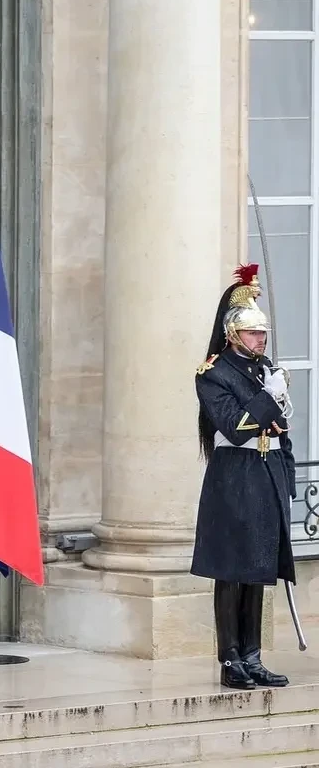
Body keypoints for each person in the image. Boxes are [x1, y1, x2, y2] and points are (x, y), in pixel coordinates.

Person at [193, 264, 294, 690]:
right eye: (253, 332)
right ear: (233, 334)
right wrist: (270, 398)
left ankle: (253, 657)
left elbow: (279, 429)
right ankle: (231, 659)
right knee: (232, 571)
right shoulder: (214, 374)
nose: (261, 339)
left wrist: (287, 474)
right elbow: (236, 428)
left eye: (263, 332)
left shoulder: (262, 367)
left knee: (258, 569)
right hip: (234, 478)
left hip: (266, 473)